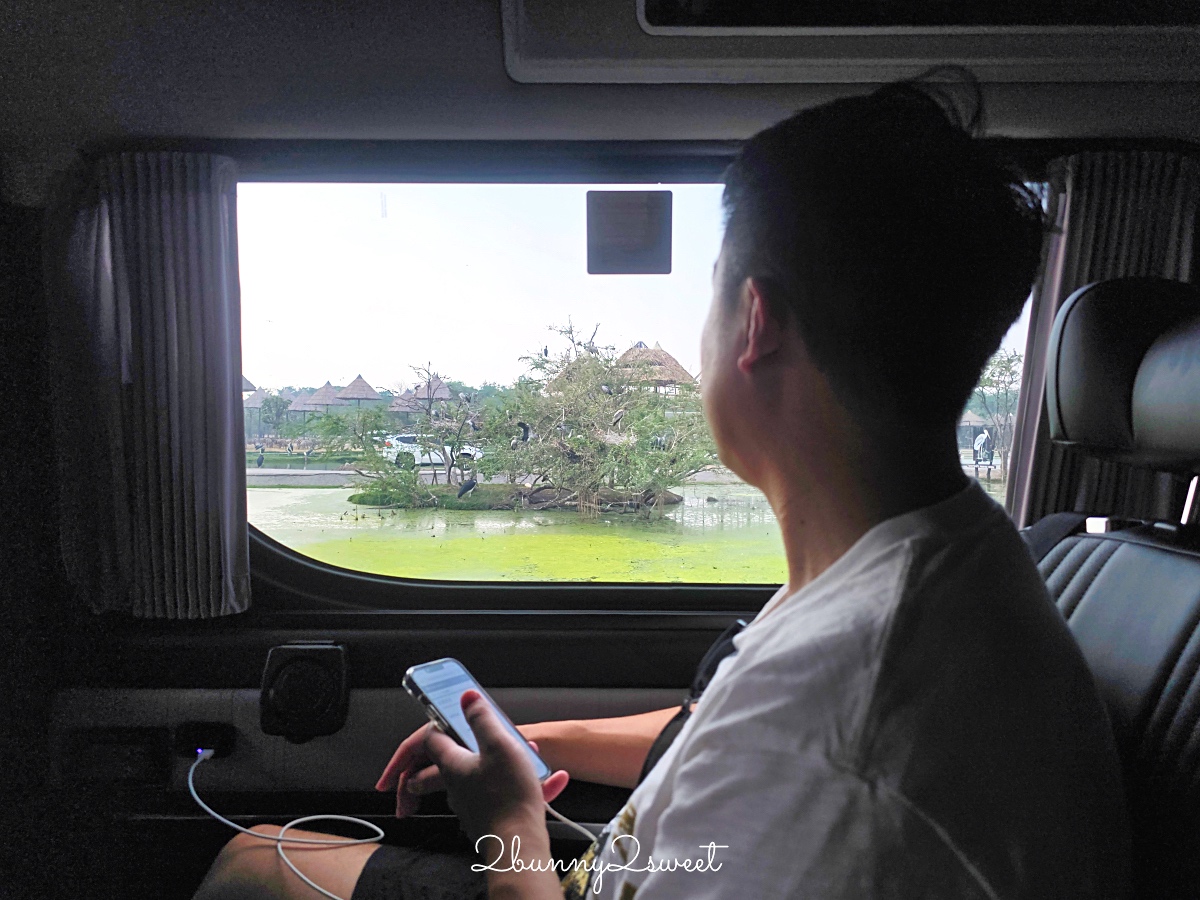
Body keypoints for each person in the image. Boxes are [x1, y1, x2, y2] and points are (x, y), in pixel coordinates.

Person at [194, 77, 1131, 900]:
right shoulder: (916, 554)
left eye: (711, 293)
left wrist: (510, 829)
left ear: (754, 321)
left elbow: (766, 750)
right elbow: (710, 726)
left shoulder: (846, 750)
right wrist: (535, 742)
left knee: (254, 864)